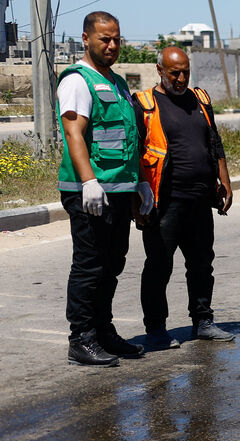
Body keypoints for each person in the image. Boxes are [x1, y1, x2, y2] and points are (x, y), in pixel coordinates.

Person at [56, 11, 154, 366]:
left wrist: (140, 180)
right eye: (104, 39)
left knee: (112, 264)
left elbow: (130, 139)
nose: (112, 45)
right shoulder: (77, 81)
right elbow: (74, 134)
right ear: (85, 39)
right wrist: (89, 182)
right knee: (89, 265)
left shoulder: (117, 83)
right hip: (90, 191)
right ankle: (80, 338)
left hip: (119, 189)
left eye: (116, 39)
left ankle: (103, 331)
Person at [133, 46, 235, 351]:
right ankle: (155, 330)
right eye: (174, 72)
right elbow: (135, 151)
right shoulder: (145, 104)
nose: (180, 78)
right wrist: (138, 197)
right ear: (160, 71)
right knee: (159, 266)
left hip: (201, 198)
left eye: (185, 72)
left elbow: (213, 141)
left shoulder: (201, 100)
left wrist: (225, 181)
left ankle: (203, 320)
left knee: (202, 263)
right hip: (165, 202)